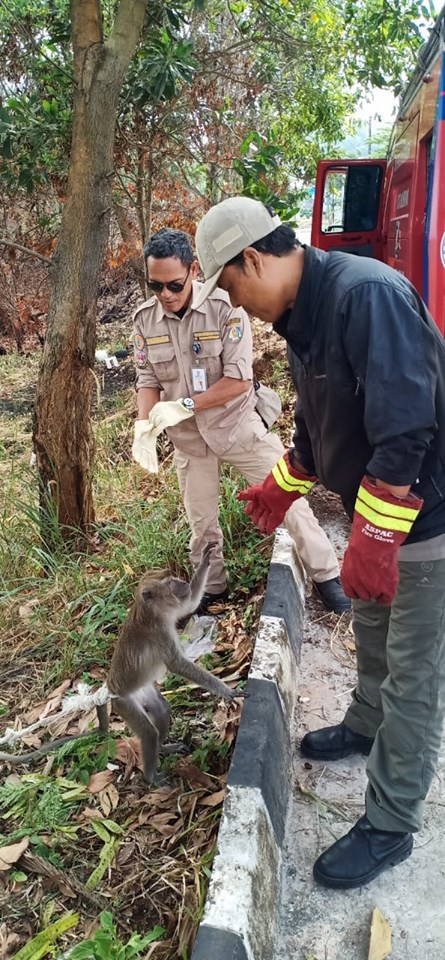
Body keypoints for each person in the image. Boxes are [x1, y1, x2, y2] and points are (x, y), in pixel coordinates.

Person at [194, 196, 445, 889]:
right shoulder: (302, 315)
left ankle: (391, 824)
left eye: (232, 286)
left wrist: (373, 532)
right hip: (378, 512)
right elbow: (316, 424)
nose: (236, 305)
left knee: (413, 674)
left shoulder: (366, 296)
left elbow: (406, 428)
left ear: (252, 258)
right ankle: (363, 724)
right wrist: (284, 482)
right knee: (370, 626)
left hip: (424, 518)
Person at [131, 227, 350, 615]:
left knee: (291, 503)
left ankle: (328, 577)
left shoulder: (225, 306)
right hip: (189, 440)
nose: (165, 295)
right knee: (201, 524)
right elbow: (147, 380)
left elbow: (238, 380)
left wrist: (184, 403)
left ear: (194, 270)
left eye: (174, 285)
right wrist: (143, 426)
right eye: (155, 286)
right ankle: (212, 589)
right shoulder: (145, 321)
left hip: (237, 425)